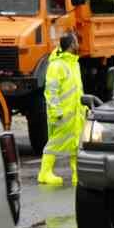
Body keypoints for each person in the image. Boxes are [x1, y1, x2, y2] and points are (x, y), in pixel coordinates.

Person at [38, 32, 83, 186]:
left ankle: (77, 175)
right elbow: (51, 92)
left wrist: (84, 109)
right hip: (63, 115)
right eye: (76, 41)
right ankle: (44, 173)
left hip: (76, 114)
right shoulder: (57, 65)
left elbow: (77, 90)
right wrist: (57, 112)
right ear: (71, 45)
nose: (78, 44)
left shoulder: (74, 63)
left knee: (76, 145)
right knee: (55, 144)